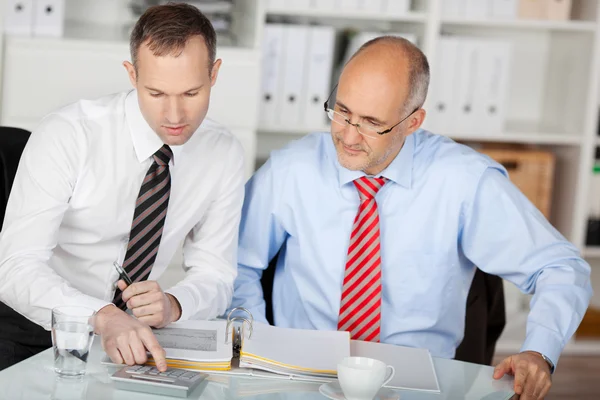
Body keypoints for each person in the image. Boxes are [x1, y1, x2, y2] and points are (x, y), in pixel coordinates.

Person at [230, 36, 592, 400]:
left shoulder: (464, 181)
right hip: (302, 378)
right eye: (341, 112)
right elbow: (238, 263)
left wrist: (539, 351)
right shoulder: (290, 170)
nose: (348, 136)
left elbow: (560, 267)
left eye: (372, 123)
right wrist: (262, 346)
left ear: (413, 121)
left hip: (417, 384)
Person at [0, 3, 244, 371]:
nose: (175, 116)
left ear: (215, 73)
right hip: (34, 326)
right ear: (132, 75)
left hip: (133, 335)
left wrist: (175, 304)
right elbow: (15, 267)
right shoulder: (69, 134)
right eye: (157, 94)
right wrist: (100, 315)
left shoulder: (223, 153)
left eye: (191, 94)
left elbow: (216, 273)